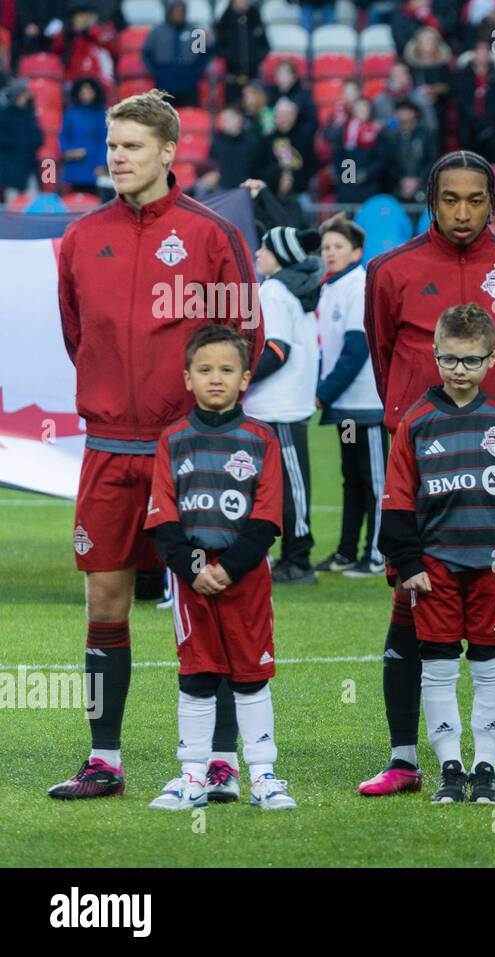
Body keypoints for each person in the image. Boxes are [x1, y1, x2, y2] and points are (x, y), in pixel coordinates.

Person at [50, 90, 263, 801]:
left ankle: (221, 761)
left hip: (190, 452)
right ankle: (104, 759)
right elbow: (77, 334)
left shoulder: (210, 235)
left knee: (213, 599)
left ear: (169, 152)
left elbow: (244, 339)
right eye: (112, 145)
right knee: (105, 601)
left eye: (132, 146)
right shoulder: (80, 238)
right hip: (108, 447)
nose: (117, 157)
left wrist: (199, 422)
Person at [361, 151, 495, 798]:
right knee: (410, 611)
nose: (463, 211)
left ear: (493, 203)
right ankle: (405, 758)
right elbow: (387, 357)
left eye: (475, 199)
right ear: (431, 201)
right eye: (450, 199)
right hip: (423, 472)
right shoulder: (391, 271)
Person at [379, 304, 495, 805]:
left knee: (492, 666)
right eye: (449, 360)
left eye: (471, 361)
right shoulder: (417, 423)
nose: (459, 371)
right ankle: (450, 767)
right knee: (440, 666)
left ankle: (486, 768)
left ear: (492, 360)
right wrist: (408, 565)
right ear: (434, 355)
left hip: (494, 571)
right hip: (436, 572)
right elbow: (398, 501)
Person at [143, 325, 295, 811]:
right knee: (197, 675)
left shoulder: (261, 439)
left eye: (226, 370)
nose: (215, 379)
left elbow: (268, 517)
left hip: (245, 579)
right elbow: (163, 517)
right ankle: (192, 776)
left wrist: (227, 569)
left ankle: (265, 776)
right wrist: (194, 570)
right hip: (191, 583)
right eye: (204, 370)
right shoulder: (172, 440)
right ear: (187, 377)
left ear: (245, 378)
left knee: (251, 676)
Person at [246, 226, 324, 585]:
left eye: (264, 248)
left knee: (289, 485)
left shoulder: (275, 290)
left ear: (279, 255)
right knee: (284, 484)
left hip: (277, 404)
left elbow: (276, 350)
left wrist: (242, 379)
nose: (258, 253)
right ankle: (287, 554)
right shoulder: (294, 288)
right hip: (286, 402)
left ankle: (298, 559)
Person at [313, 214, 387, 578]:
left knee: (375, 481)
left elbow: (356, 351)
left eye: (338, 247)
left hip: (367, 404)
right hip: (345, 408)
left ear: (356, 252)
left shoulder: (359, 286)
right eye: (326, 247)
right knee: (351, 477)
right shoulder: (328, 288)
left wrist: (322, 393)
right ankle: (346, 551)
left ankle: (376, 554)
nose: (330, 253)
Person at [59, 78, 108, 197]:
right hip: (74, 163)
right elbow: (64, 135)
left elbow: (105, 140)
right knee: (74, 200)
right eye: (83, 92)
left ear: (96, 93)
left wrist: (101, 164)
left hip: (93, 164)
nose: (86, 95)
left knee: (94, 200)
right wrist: (67, 151)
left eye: (89, 91)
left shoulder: (102, 114)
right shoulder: (71, 112)